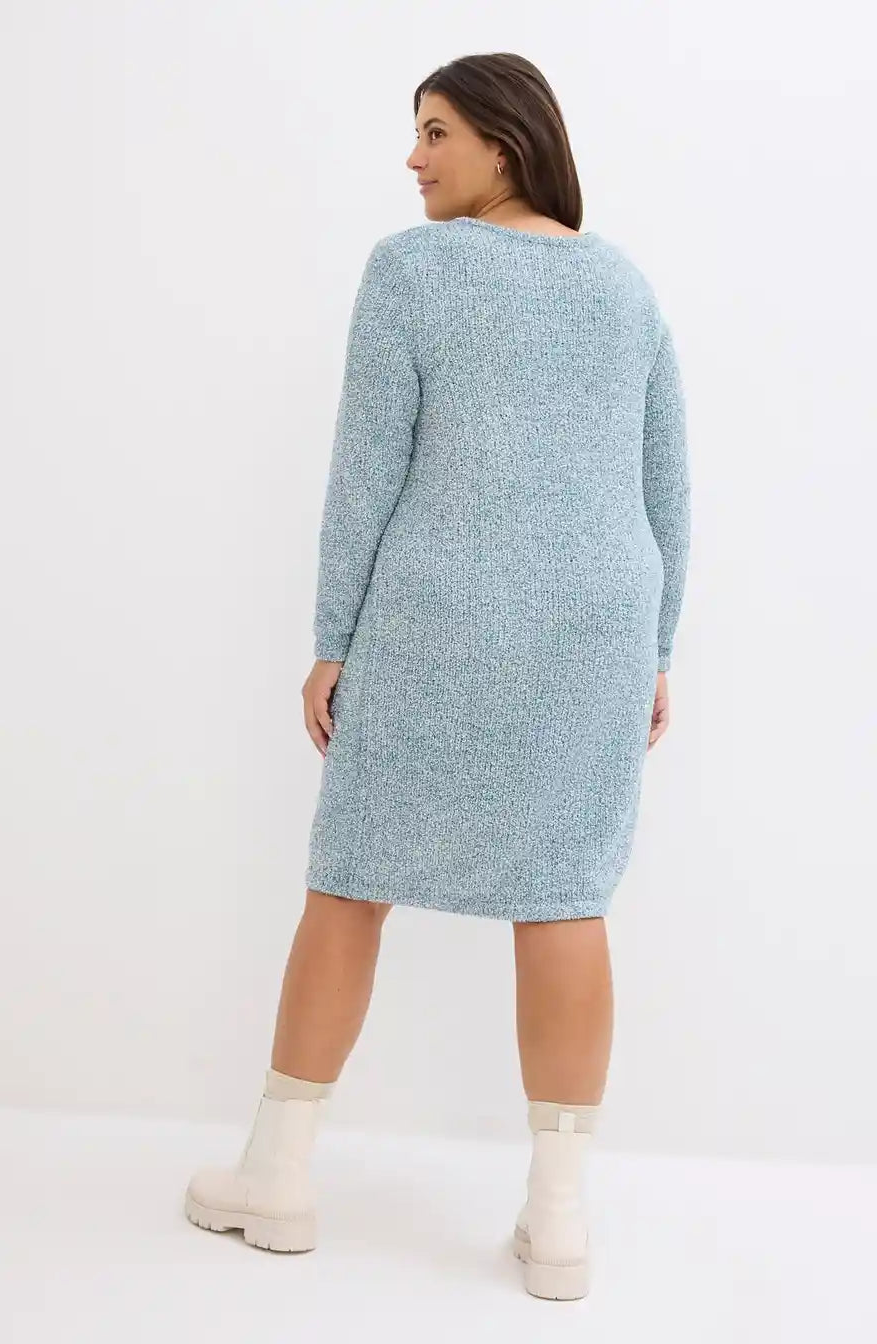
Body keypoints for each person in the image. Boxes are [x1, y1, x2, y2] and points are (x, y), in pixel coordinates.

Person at [184, 52, 691, 1301]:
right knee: (565, 896)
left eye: (435, 131)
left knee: (351, 878)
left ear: (505, 143)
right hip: (596, 625)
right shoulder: (625, 287)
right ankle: (559, 1221)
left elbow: (367, 468)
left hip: (439, 611)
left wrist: (333, 638)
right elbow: (667, 490)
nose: (413, 157)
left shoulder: (412, 270)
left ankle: (277, 1174)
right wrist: (657, 649)